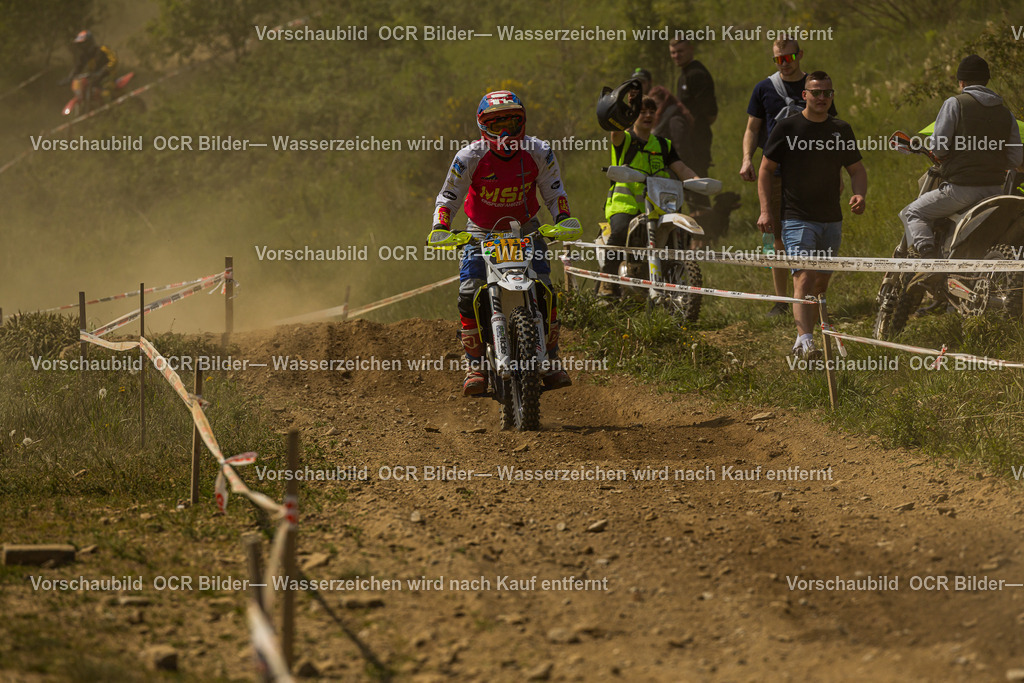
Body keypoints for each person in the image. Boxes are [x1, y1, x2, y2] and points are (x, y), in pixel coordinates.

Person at [431, 90, 574, 396]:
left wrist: (562, 218)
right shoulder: (469, 156)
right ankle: (474, 365)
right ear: (483, 126)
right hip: (480, 231)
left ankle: (550, 358)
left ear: (522, 121)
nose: (506, 131)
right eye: (497, 124)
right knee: (468, 293)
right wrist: (441, 225)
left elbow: (554, 191)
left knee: (545, 287)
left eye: (511, 121)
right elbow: (449, 196)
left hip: (526, 229)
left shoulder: (538, 150)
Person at [758, 72, 868, 360]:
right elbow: (765, 170)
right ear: (804, 95)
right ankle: (805, 343)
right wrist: (766, 210)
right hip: (796, 217)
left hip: (831, 217)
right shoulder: (786, 127)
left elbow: (856, 169)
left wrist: (859, 194)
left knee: (820, 283)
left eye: (827, 93)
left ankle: (816, 333)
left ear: (832, 96)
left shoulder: (841, 129)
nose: (822, 98)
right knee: (803, 277)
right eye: (816, 93)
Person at [740, 36, 837, 317]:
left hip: (813, 173)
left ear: (799, 55)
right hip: (776, 171)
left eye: (789, 58)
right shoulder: (764, 89)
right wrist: (747, 158)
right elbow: (751, 128)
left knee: (817, 234)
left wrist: (836, 169)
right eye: (778, 60)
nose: (784, 64)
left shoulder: (817, 87)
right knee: (773, 237)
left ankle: (815, 298)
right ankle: (780, 300)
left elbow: (831, 127)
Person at [901, 55, 1023, 259]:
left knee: (914, 212)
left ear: (962, 82)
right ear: (986, 80)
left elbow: (938, 148)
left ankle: (929, 262)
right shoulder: (1006, 113)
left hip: (960, 190)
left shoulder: (955, 103)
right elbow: (1014, 159)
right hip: (995, 191)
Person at [600, 93, 699, 298]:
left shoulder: (664, 145)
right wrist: (624, 109)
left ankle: (673, 286)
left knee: (677, 237)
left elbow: (681, 169)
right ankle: (606, 284)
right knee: (618, 233)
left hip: (658, 208)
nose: (647, 115)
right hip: (625, 206)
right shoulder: (625, 140)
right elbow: (614, 133)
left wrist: (698, 181)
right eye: (642, 111)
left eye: (651, 112)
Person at [668, 38, 717, 178]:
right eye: (673, 52)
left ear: (691, 49)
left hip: (697, 137)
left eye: (680, 51)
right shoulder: (684, 74)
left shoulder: (696, 74)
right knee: (689, 182)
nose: (676, 55)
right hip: (685, 137)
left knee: (696, 180)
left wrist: (698, 125)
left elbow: (710, 111)